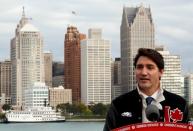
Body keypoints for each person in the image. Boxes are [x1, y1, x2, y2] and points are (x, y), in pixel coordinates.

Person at [103, 48, 189, 131]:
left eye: (150, 67)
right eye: (139, 67)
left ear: (161, 72)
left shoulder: (179, 104)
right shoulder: (119, 105)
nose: (143, 73)